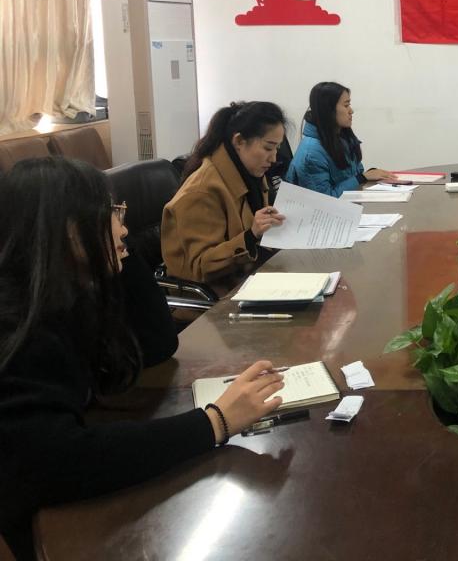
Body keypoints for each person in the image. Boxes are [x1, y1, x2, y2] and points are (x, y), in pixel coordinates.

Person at [0, 158, 284, 558]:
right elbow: (57, 462)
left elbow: (156, 343)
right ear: (68, 231)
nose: (124, 228)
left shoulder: (68, 292)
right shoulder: (18, 327)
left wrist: (117, 251)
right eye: (112, 214)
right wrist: (214, 422)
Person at [162, 101, 287, 286]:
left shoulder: (251, 173)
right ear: (239, 141)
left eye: (277, 148)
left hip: (249, 277)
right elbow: (201, 266)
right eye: (268, 148)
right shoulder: (202, 191)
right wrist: (251, 236)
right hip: (218, 293)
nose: (274, 157)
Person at [286, 82, 396, 196]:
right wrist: (361, 178)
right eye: (346, 105)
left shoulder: (343, 138)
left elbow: (356, 173)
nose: (351, 111)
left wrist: (368, 175)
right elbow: (323, 200)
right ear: (328, 110)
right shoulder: (312, 154)